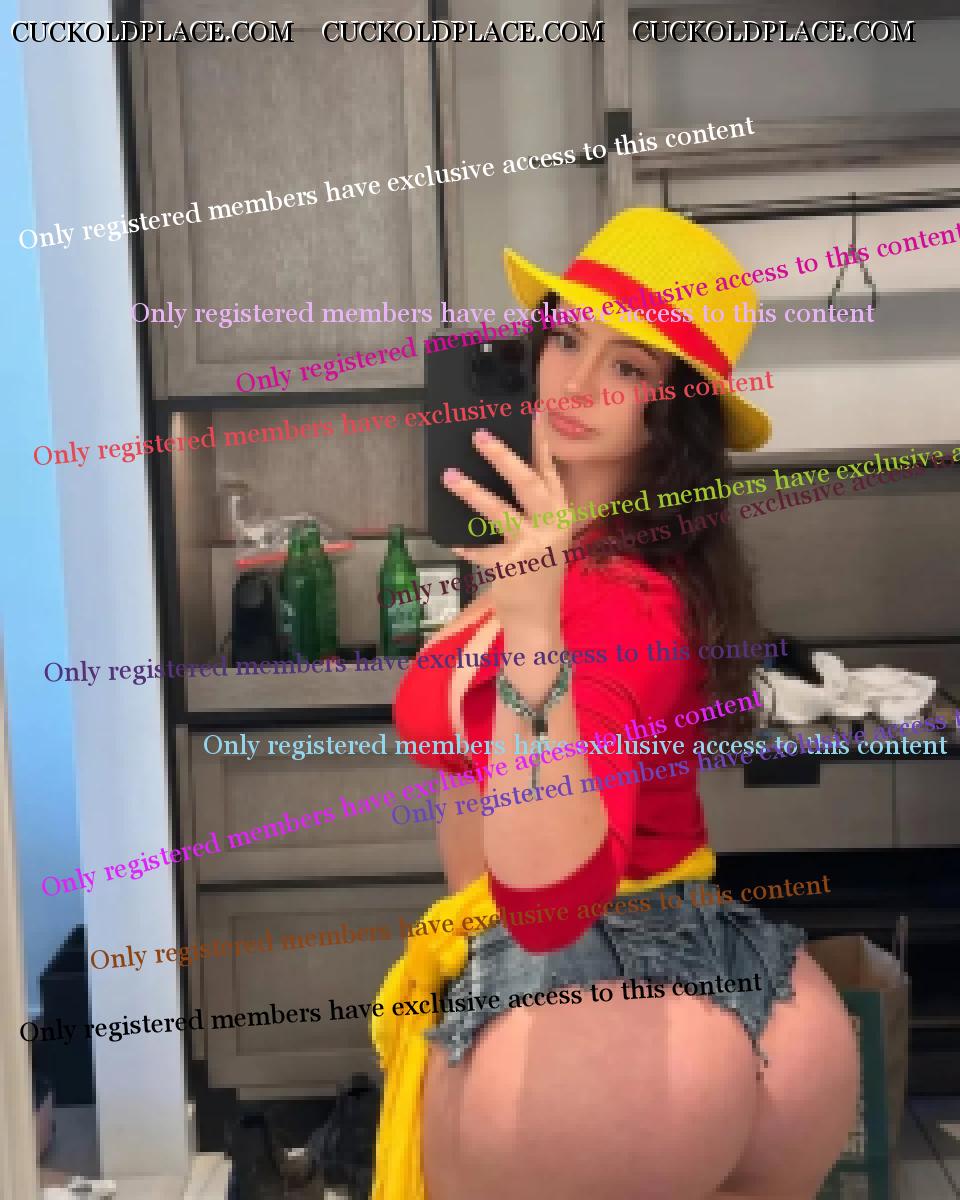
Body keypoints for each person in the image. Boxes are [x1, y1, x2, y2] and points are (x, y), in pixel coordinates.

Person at [372, 208, 859, 1200]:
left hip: (582, 1009)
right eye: (567, 339)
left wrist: (533, 628)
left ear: (673, 413)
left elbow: (554, 904)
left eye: (629, 365)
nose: (578, 381)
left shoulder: (610, 594)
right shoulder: (604, 558)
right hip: (735, 977)